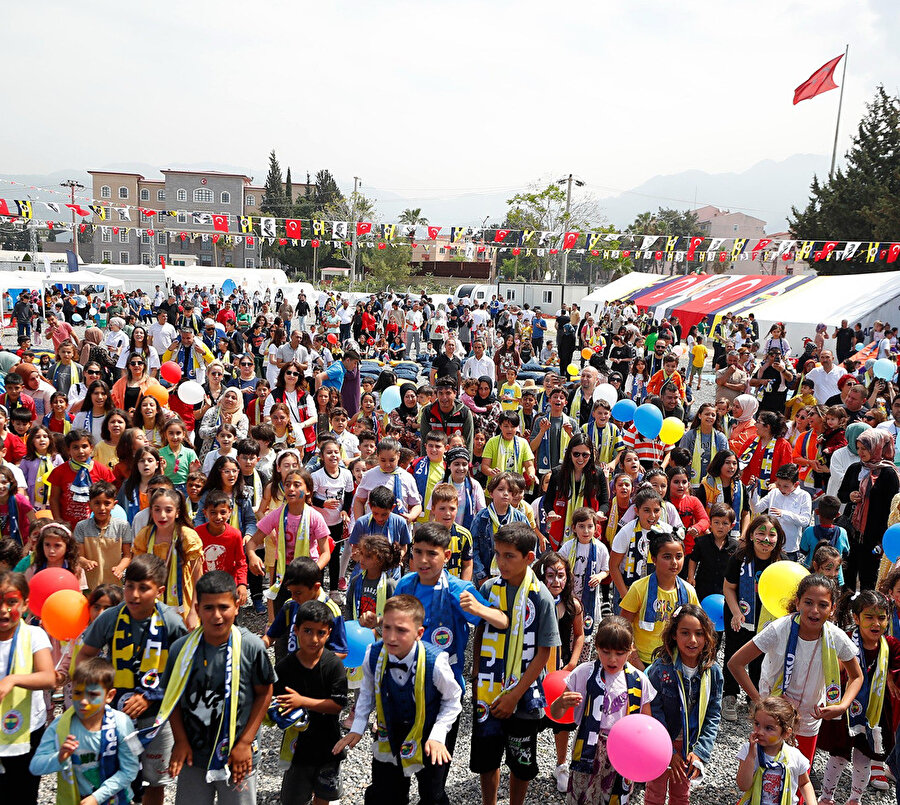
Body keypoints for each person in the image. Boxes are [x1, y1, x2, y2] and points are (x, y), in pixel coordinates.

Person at [77, 555, 191, 805]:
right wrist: (95, 691)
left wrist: (151, 695)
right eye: (129, 586)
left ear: (159, 591)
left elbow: (183, 669)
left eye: (144, 588)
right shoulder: (110, 618)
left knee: (154, 782)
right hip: (115, 715)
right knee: (112, 776)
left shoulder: (171, 622)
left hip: (157, 718)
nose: (134, 595)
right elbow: (85, 655)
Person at [334, 595, 462, 805]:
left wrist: (438, 734)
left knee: (432, 794)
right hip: (389, 730)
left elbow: (453, 699)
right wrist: (358, 727)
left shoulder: (435, 661)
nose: (391, 637)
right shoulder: (373, 653)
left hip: (428, 734)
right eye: (386, 628)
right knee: (385, 793)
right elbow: (367, 692)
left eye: (401, 630)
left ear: (419, 633)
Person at [161, 571, 274, 803]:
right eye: (208, 608)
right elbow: (172, 698)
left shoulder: (251, 647)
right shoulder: (181, 650)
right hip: (194, 755)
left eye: (223, 607)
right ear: (197, 607)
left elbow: (265, 693)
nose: (217, 616)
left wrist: (245, 743)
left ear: (237, 605)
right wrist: (180, 741)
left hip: (238, 755)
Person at [727, 574, 863, 766]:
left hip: (809, 716)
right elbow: (736, 663)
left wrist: (842, 706)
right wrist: (760, 702)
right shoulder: (779, 629)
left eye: (823, 605)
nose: (814, 610)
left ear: (832, 609)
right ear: (797, 603)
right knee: (767, 772)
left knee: (800, 775)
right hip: (774, 718)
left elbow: (856, 676)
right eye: (808, 602)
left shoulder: (836, 637)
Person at [470, 521, 560, 805]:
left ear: (529, 558)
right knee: (488, 757)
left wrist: (514, 696)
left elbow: (544, 652)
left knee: (520, 760)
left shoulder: (541, 596)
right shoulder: (488, 588)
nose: (501, 562)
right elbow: (481, 630)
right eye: (497, 554)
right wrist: (475, 674)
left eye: (509, 556)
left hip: (523, 694)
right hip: (487, 688)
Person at [549, 615, 654, 805]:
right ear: (596, 646)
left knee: (614, 796)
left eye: (620, 653)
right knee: (582, 795)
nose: (612, 659)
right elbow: (556, 715)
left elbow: (647, 724)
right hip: (588, 748)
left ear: (631, 650)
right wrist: (561, 703)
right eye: (606, 652)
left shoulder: (639, 680)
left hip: (623, 749)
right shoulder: (583, 673)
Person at [817, 589, 900, 804]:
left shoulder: (890, 645)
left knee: (864, 757)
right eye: (869, 617)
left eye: (882, 618)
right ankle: (826, 797)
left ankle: (855, 798)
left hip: (874, 711)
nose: (876, 623)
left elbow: (896, 670)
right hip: (846, 708)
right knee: (839, 756)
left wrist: (890, 676)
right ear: (856, 618)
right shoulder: (844, 640)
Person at [29, 657, 140, 805]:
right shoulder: (61, 725)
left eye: (93, 695)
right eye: (77, 693)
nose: (83, 701)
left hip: (118, 799)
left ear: (110, 696)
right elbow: (35, 767)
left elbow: (131, 769)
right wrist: (60, 757)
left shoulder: (123, 723)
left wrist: (97, 797)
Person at [272, 599, 348, 805]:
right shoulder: (285, 667)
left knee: (323, 798)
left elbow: (337, 704)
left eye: (320, 632)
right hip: (298, 750)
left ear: (329, 632)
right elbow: (274, 702)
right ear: (296, 630)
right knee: (293, 798)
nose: (313, 638)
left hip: (329, 747)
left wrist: (302, 701)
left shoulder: (333, 665)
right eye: (307, 631)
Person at [645, 604, 723, 804]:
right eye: (685, 633)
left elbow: (713, 715)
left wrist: (700, 752)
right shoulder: (661, 669)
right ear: (674, 635)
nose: (693, 640)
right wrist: (667, 751)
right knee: (655, 791)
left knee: (681, 795)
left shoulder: (712, 672)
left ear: (707, 636)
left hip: (689, 746)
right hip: (661, 742)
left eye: (699, 633)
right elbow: (654, 713)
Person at [721, 514, 785, 722]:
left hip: (767, 619)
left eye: (771, 535)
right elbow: (729, 588)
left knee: (760, 658)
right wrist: (736, 612)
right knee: (734, 653)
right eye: (761, 533)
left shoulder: (781, 562)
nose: (766, 539)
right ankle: (729, 695)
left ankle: (754, 698)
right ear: (751, 535)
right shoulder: (739, 558)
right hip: (738, 614)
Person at [0, 570, 56, 805]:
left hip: (26, 732)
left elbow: (48, 677)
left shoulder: (34, 635)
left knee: (22, 795)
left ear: (24, 605)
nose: (3, 609)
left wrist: (13, 679)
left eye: (11, 602)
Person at [619, 530, 699, 669]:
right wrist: (634, 658)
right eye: (667, 557)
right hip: (643, 661)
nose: (674, 562)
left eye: (679, 556)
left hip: (676, 660)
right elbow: (623, 626)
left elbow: (698, 626)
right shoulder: (639, 588)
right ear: (654, 559)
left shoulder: (688, 591)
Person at [133, 488, 204, 628]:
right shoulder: (145, 535)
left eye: (168, 510)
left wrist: (194, 612)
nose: (162, 515)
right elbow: (136, 574)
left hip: (182, 601)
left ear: (177, 512)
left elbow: (199, 578)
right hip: (150, 600)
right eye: (157, 509)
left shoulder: (188, 537)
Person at [735, 697, 816, 805]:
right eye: (757, 724)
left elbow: (804, 783)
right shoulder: (749, 750)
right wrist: (750, 756)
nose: (760, 732)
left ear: (786, 733)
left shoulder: (795, 756)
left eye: (768, 728)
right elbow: (743, 786)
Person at [544, 436, 609, 551]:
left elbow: (604, 502)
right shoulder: (557, 473)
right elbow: (548, 501)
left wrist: (599, 513)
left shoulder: (598, 474)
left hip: (588, 530)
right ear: (569, 453)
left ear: (591, 455)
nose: (580, 458)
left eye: (585, 455)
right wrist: (551, 512)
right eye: (576, 454)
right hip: (561, 532)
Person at [48, 429, 116, 531]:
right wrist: (58, 519)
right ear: (68, 450)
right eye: (75, 447)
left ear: (91, 448)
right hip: (69, 526)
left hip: (96, 526)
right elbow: (54, 498)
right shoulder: (59, 472)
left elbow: (110, 498)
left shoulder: (103, 471)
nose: (81, 451)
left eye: (84, 446)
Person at [74, 480, 132, 588]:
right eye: (97, 503)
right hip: (90, 585)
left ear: (114, 504)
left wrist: (120, 568)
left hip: (115, 585)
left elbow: (127, 555)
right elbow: (79, 556)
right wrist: (85, 562)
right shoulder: (81, 527)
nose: (102, 508)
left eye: (107, 503)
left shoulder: (122, 526)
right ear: (89, 504)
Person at [196, 490, 249, 606]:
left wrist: (242, 584)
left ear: (230, 512)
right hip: (205, 587)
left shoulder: (235, 535)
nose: (218, 517)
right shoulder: (197, 534)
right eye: (213, 512)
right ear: (205, 513)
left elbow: (241, 562)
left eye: (223, 512)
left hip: (228, 586)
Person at [754, 463, 812, 562]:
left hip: (789, 547)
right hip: (769, 545)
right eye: (779, 484)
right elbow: (757, 508)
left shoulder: (804, 496)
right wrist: (754, 490)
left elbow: (805, 521)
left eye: (786, 486)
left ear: (796, 484)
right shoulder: (774, 493)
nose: (781, 489)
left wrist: (784, 514)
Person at [419, 377, 474, 454]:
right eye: (440, 393)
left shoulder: (465, 413)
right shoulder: (428, 412)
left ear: (455, 393)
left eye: (448, 393)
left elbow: (468, 444)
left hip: (457, 460)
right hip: (435, 459)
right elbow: (424, 443)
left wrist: (467, 464)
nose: (444, 397)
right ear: (436, 394)